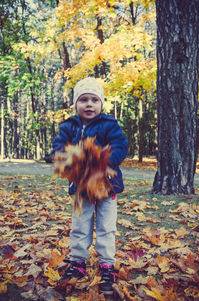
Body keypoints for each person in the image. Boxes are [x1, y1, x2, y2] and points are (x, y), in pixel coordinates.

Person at [51, 77, 128, 295]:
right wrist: (65, 159)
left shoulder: (109, 125)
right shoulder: (69, 126)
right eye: (83, 99)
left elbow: (120, 146)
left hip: (107, 186)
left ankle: (106, 264)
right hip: (82, 187)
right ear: (75, 104)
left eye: (94, 100)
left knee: (106, 227)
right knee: (80, 226)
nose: (89, 104)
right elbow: (59, 147)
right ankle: (77, 262)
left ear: (101, 104)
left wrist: (103, 162)